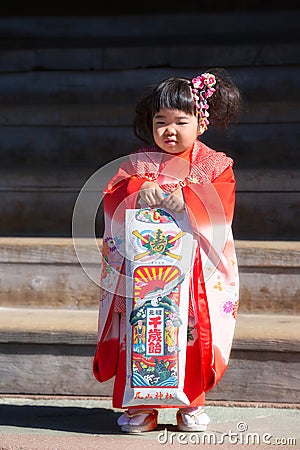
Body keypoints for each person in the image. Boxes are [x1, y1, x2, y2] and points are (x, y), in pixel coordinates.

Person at [93, 68, 243, 433]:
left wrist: (191, 198)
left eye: (180, 121)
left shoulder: (215, 167)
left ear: (201, 124)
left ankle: (189, 403)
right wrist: (133, 192)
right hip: (144, 275)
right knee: (142, 332)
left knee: (188, 333)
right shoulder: (136, 166)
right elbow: (112, 200)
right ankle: (142, 408)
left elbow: (220, 209)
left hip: (191, 277)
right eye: (160, 122)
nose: (169, 130)